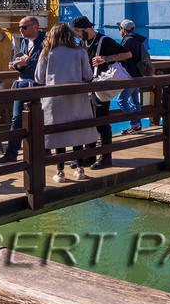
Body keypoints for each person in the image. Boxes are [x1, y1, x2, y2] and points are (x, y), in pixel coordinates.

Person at [34, 22, 95, 182]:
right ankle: (80, 169)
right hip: (77, 98)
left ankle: (60, 172)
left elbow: (39, 78)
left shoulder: (47, 52)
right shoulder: (80, 52)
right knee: (77, 134)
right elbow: (88, 76)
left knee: (58, 135)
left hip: (55, 100)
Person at [70, 16, 126, 169]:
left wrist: (106, 58)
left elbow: (127, 54)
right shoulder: (83, 42)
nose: (76, 35)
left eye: (77, 32)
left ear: (86, 29)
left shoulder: (104, 40)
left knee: (102, 122)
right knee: (88, 122)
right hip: (87, 86)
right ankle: (89, 156)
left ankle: (106, 157)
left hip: (100, 85)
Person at [0, 16, 45, 164]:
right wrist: (16, 65)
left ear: (35, 27)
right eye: (19, 28)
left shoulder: (46, 41)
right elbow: (24, 60)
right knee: (16, 119)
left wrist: (27, 61)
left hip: (39, 84)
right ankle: (12, 153)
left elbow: (48, 62)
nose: (20, 30)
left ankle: (44, 151)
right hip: (23, 83)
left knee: (41, 119)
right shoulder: (24, 42)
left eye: (24, 27)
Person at [115, 19, 150, 135]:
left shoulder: (128, 40)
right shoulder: (136, 39)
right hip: (138, 73)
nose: (120, 30)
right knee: (135, 101)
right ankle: (137, 126)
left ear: (123, 29)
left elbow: (122, 56)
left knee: (121, 100)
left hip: (130, 74)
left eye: (120, 28)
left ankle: (135, 125)